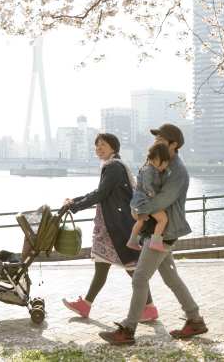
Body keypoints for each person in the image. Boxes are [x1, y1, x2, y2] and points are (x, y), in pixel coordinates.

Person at [99, 123, 207, 345]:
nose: (156, 142)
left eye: (161, 139)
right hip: (156, 228)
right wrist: (137, 203)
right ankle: (195, 319)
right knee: (171, 278)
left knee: (139, 278)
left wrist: (138, 208)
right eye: (156, 139)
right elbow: (142, 188)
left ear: (174, 144)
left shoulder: (177, 171)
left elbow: (162, 200)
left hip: (165, 231)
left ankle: (128, 329)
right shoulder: (157, 161)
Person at [60, 133, 158, 322]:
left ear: (113, 147)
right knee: (103, 265)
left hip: (117, 226)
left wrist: (75, 206)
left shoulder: (113, 167)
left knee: (131, 268)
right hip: (113, 224)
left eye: (103, 145)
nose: (98, 149)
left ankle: (149, 307)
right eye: (96, 146)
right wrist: (75, 201)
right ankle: (86, 305)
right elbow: (101, 192)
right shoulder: (114, 166)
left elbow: (101, 194)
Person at [127, 141, 170, 252]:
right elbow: (147, 186)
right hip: (145, 201)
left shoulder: (148, 168)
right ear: (155, 159)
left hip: (139, 202)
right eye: (164, 162)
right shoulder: (149, 170)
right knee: (163, 219)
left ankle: (132, 241)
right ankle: (155, 242)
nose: (165, 165)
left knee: (141, 221)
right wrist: (154, 195)